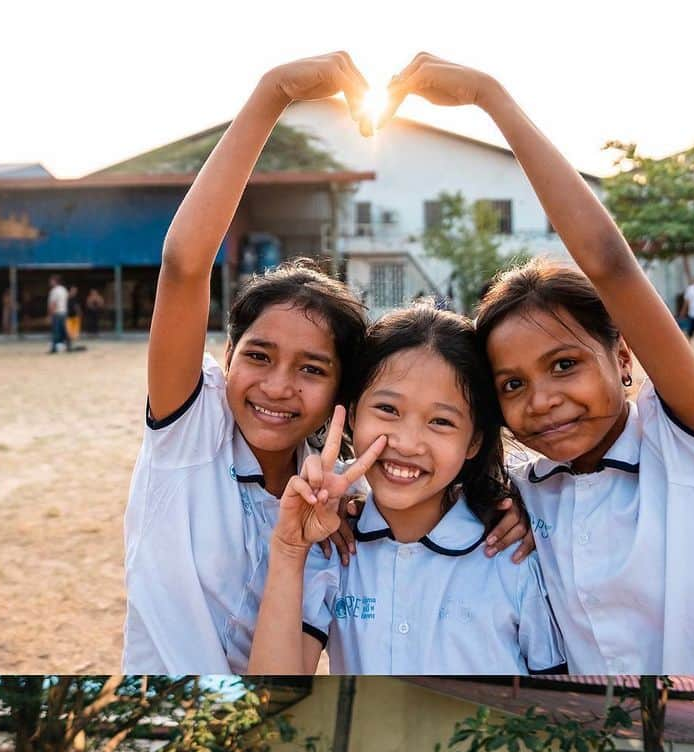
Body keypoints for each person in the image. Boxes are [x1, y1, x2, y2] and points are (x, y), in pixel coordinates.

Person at [378, 55, 694, 676]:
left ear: (621, 355)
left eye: (564, 365)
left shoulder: (688, 445)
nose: (542, 400)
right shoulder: (531, 490)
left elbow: (610, 264)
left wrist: (491, 98)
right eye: (512, 384)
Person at [124, 53, 527, 676]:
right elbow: (182, 265)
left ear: (344, 391)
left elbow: (436, 455)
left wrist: (509, 499)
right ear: (228, 357)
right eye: (258, 356)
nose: (278, 386)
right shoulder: (192, 433)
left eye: (312, 369)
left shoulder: (343, 486)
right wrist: (273, 93)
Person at [248, 305, 562, 675]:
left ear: (474, 440)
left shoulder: (514, 551)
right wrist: (289, 549)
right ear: (351, 414)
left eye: (441, 421)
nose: (409, 443)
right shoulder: (333, 549)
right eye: (388, 409)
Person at [47, 274, 72, 352]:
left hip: (56, 313)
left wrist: (50, 315)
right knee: (64, 331)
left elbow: (53, 304)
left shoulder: (54, 291)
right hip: (64, 313)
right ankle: (68, 346)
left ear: (55, 281)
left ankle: (54, 348)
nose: (50, 282)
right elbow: (67, 299)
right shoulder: (64, 289)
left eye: (51, 281)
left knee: (56, 331)